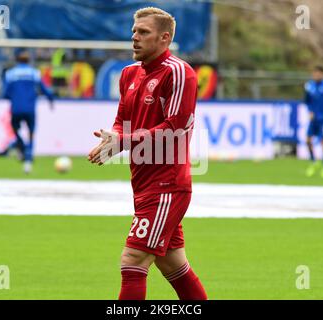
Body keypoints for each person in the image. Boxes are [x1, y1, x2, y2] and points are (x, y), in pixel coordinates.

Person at [88, 7, 207, 300]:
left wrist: (125, 140)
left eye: (143, 33)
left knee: (133, 260)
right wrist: (113, 140)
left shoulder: (179, 72)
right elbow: (122, 120)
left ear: (164, 38)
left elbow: (176, 127)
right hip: (143, 182)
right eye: (134, 32)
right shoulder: (129, 74)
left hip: (168, 184)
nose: (134, 38)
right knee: (172, 263)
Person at [3, 49, 54, 174]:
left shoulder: (10, 74)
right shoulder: (34, 73)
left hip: (16, 109)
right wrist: (50, 99)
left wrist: (15, 97)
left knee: (15, 130)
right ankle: (28, 161)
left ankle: (20, 145)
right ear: (29, 60)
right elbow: (44, 89)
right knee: (31, 134)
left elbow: (5, 94)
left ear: (16, 59)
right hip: (30, 109)